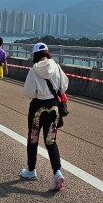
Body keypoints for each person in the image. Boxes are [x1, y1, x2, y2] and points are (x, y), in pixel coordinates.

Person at [20, 42, 69, 192]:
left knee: (33, 139)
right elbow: (64, 86)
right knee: (51, 141)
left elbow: (28, 92)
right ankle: (57, 172)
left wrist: (39, 93)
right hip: (54, 107)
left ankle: (31, 170)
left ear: (35, 55)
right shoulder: (56, 66)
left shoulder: (34, 70)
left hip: (37, 108)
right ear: (47, 52)